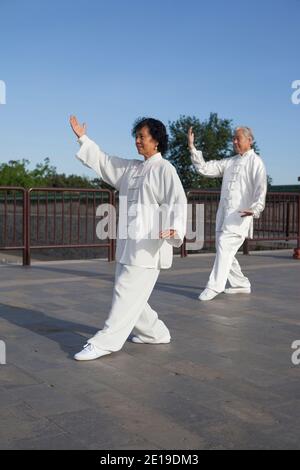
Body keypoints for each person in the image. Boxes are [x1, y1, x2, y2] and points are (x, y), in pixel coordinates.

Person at [70, 115, 187, 360]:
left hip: (149, 245)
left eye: (142, 136)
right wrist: (83, 138)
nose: (137, 141)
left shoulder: (165, 169)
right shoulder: (132, 168)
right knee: (132, 294)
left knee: (126, 290)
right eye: (136, 136)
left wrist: (175, 229)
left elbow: (178, 200)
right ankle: (155, 333)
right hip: (128, 242)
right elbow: (104, 161)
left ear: (156, 140)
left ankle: (106, 342)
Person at [188, 126, 267, 301]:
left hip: (240, 216)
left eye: (238, 138)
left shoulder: (256, 162)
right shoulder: (230, 162)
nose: (234, 142)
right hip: (224, 215)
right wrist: (193, 148)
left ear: (249, 140)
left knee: (224, 245)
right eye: (234, 138)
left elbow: (261, 189)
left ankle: (214, 286)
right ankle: (241, 284)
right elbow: (205, 168)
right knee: (225, 251)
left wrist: (255, 209)